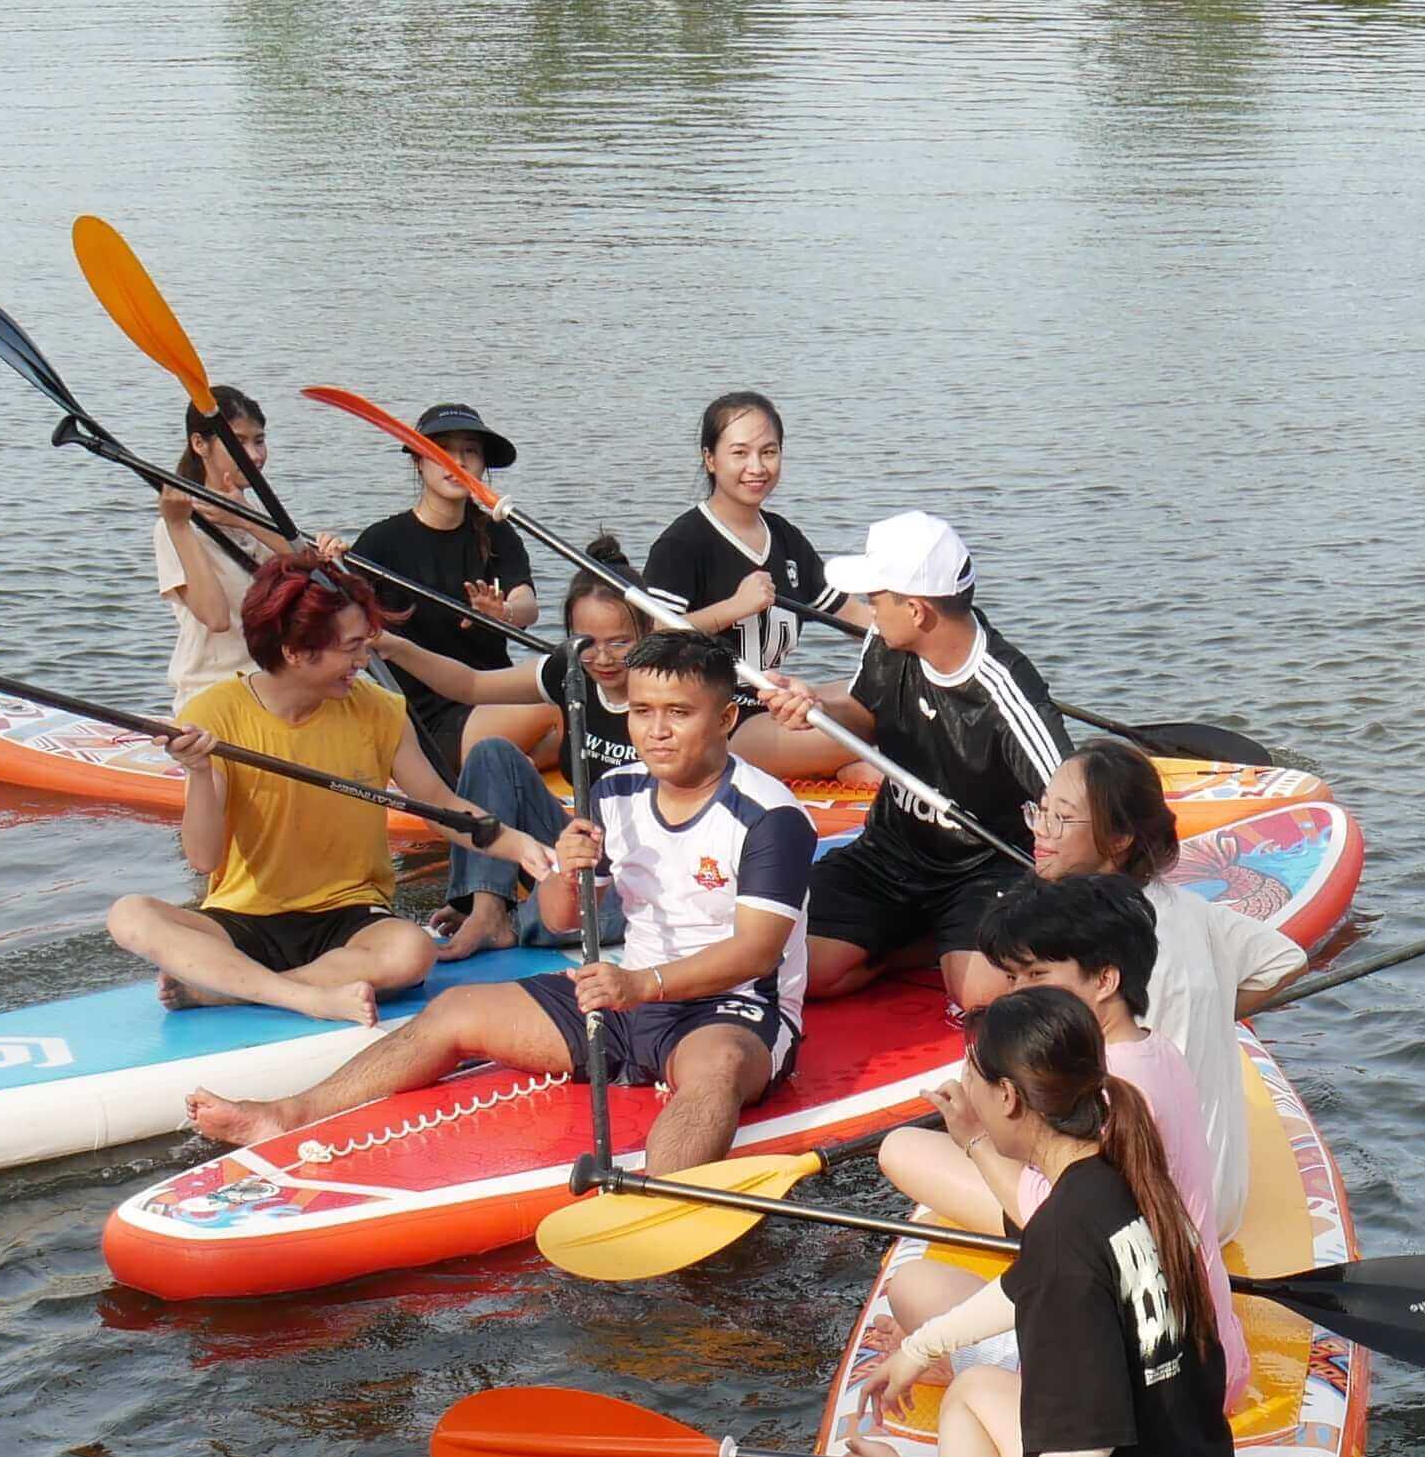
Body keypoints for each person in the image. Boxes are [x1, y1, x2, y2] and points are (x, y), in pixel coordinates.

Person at [185, 633, 809, 1172]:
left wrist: (639, 985)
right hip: (624, 994)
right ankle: (285, 1114)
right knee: (456, 1010)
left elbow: (755, 953)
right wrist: (568, 873)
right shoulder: (613, 791)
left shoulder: (771, 814)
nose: (657, 730)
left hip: (729, 1007)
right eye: (642, 711)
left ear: (725, 719)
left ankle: (660, 1200)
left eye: (679, 713)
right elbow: (563, 920)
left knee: (716, 1069)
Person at [795, 983, 1242, 1457]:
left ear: (1007, 1097)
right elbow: (1019, 1288)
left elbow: (1085, 1443)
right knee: (974, 1386)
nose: (965, 1090)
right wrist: (920, 1350)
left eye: (973, 1076)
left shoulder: (1067, 1235)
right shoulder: (1118, 1179)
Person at [107, 546, 550, 1026]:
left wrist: (519, 844)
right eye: (352, 647)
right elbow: (203, 859)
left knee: (411, 951)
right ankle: (304, 994)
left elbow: (439, 805)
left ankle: (231, 988)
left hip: (349, 916)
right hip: (243, 917)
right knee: (130, 914)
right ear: (296, 652)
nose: (365, 658)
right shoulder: (214, 714)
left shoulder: (379, 709)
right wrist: (197, 770)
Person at [878, 874, 1246, 1395]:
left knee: (912, 1289)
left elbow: (1046, 1224)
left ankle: (968, 1367)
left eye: (1037, 975)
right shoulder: (1154, 1049)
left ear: (1104, 980)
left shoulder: (1102, 1090)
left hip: (1136, 1380)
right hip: (1205, 1350)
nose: (1018, 995)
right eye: (1013, 977)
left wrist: (973, 1139)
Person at [765, 510, 1067, 1010]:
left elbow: (1071, 800)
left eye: (875, 598)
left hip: (985, 869)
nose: (867, 608)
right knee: (796, 969)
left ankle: (947, 944)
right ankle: (918, 944)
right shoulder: (887, 643)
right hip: (890, 852)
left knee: (980, 996)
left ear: (918, 610)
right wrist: (818, 707)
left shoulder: (1006, 692)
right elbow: (863, 713)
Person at [1029, 737, 1299, 1232]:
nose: (1040, 832)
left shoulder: (1102, 946)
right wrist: (1216, 1005)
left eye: (1061, 819)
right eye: (1040, 811)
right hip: (1221, 1201)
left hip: (1152, 1219)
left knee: (911, 1150)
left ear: (1118, 839)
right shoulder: (1188, 908)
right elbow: (1286, 959)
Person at [427, 555, 657, 961]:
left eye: (620, 643)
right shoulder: (571, 673)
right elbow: (470, 684)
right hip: (583, 848)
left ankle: (511, 922)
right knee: (492, 754)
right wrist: (391, 645)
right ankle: (486, 909)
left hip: (642, 877)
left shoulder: (670, 689)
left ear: (650, 631)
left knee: (555, 918)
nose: (602, 658)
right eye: (587, 643)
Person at [344, 400, 542, 787]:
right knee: (566, 708)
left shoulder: (498, 532)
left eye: (469, 451)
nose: (458, 461)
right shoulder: (381, 543)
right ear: (419, 461)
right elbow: (338, 618)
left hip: (494, 698)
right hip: (426, 718)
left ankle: (502, 776)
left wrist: (504, 614)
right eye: (444, 450)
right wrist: (332, 559)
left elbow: (528, 604)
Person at [638, 390, 825, 692]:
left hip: (769, 701)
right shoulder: (682, 544)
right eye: (739, 453)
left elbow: (847, 612)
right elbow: (653, 640)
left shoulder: (785, 537)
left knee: (862, 702)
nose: (757, 468)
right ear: (710, 459)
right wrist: (736, 607)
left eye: (768, 452)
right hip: (709, 711)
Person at [151, 385, 275, 696]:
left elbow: (303, 569)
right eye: (238, 442)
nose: (255, 456)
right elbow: (216, 618)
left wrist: (246, 519)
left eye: (259, 441)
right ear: (199, 444)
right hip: (213, 690)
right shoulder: (174, 528)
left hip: (273, 683)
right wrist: (179, 528)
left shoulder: (255, 508)